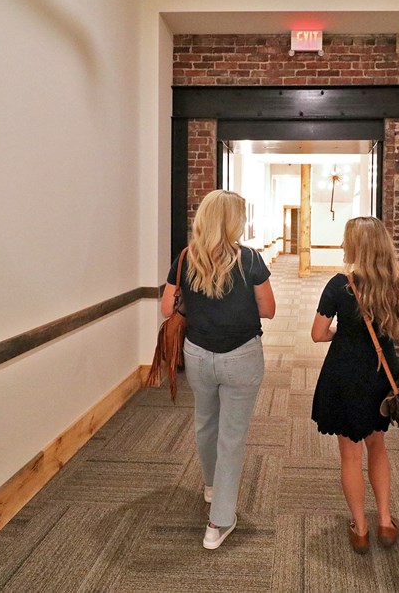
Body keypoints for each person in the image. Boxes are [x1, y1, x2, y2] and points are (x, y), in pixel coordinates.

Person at [161, 190, 275, 550]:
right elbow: (269, 309)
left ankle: (211, 486)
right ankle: (219, 522)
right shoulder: (251, 259)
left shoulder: (184, 259)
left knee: (205, 422)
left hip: (197, 354)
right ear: (233, 221)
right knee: (232, 437)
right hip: (241, 355)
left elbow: (167, 308)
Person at [310, 217, 399, 554]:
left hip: (343, 372)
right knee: (378, 445)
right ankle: (385, 522)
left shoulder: (338, 284)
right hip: (381, 373)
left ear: (352, 246)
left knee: (350, 454)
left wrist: (342, 334)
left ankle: (360, 529)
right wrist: (389, 334)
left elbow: (317, 334)